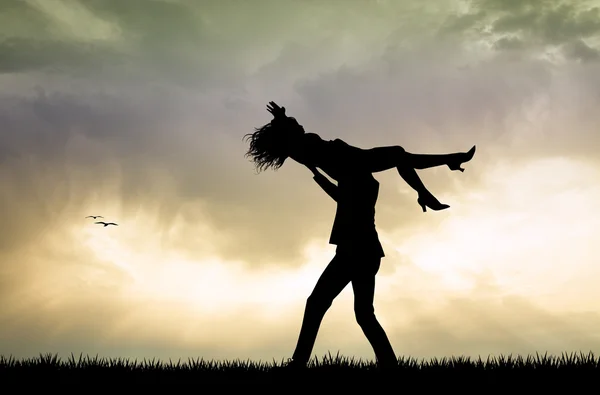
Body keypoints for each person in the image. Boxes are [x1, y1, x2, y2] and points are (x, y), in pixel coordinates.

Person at [243, 101, 476, 368]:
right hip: (364, 248)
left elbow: (341, 197)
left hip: (354, 250)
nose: (299, 123)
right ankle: (387, 363)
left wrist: (316, 172)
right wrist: (285, 125)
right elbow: (295, 148)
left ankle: (300, 362)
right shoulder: (346, 171)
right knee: (359, 313)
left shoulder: (354, 180)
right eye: (294, 124)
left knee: (323, 304)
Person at [244, 102, 476, 213]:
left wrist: (283, 120)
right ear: (288, 132)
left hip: (352, 159)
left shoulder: (301, 143)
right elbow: (287, 140)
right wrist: (281, 119)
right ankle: (435, 181)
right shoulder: (296, 147)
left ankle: (445, 167)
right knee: (398, 154)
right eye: (295, 123)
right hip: (349, 164)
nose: (299, 122)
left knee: (400, 156)